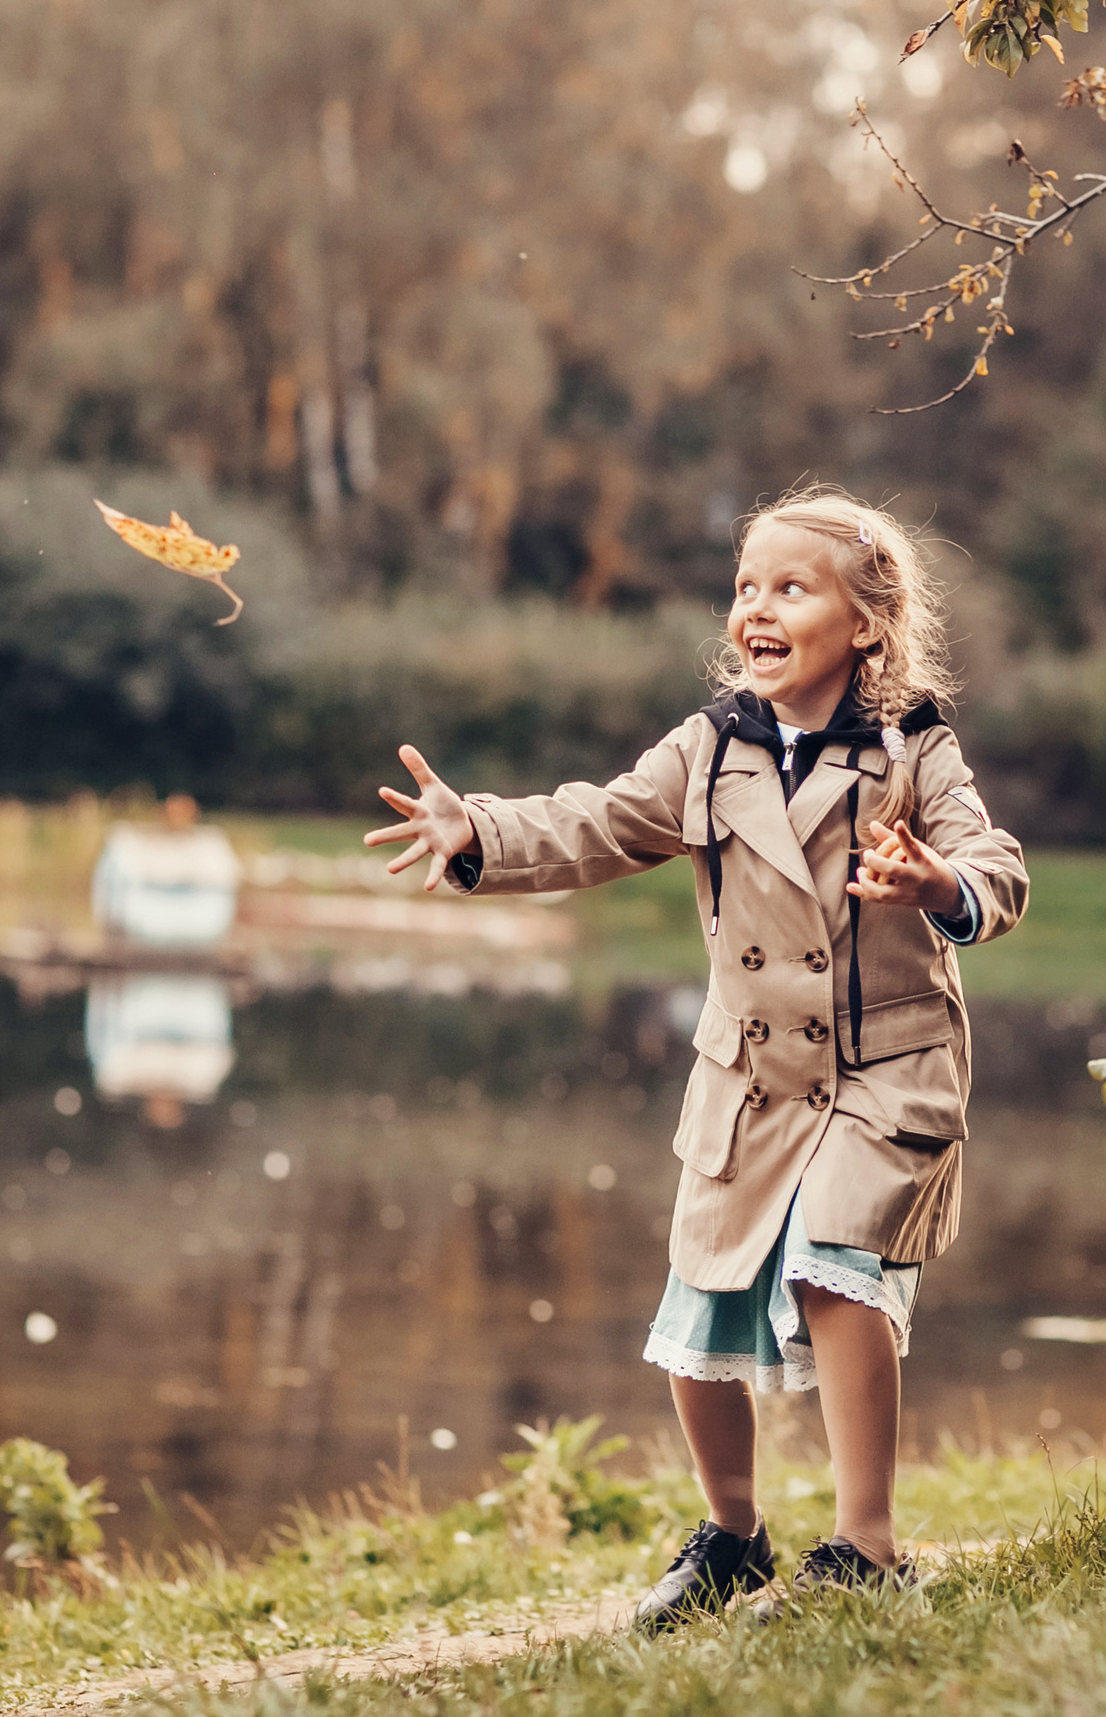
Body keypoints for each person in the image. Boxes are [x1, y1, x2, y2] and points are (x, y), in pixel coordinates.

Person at [364, 487, 1027, 1627]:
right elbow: (599, 821)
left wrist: (936, 883)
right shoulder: (710, 746)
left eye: (790, 587)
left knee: (833, 1267)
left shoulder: (913, 748)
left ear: (865, 624)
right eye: (744, 588)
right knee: (698, 1315)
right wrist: (481, 830)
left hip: (887, 1072)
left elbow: (995, 868)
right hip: (752, 1081)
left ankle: (866, 1547)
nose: (755, 609)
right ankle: (732, 1537)